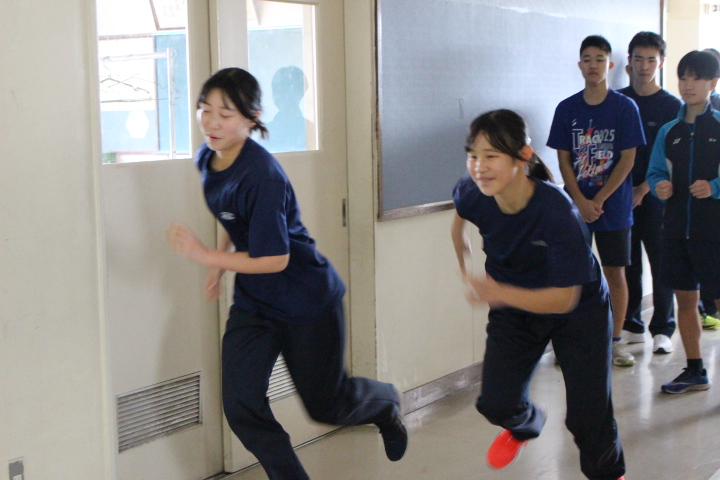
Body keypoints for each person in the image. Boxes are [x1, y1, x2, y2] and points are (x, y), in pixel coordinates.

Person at [166, 67, 407, 480]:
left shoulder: (263, 176)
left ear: (252, 118)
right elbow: (232, 214)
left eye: (225, 113)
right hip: (255, 302)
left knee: (326, 406)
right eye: (205, 109)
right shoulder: (209, 157)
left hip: (307, 300)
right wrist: (220, 260)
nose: (211, 122)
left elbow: (275, 259)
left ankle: (384, 404)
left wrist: (206, 256)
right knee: (240, 404)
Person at [452, 109, 625, 480]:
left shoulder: (558, 211)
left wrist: (496, 290)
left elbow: (564, 300)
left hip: (579, 311)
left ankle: (609, 474)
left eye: (491, 156)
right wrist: (466, 270)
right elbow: (458, 227)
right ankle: (526, 425)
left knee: (588, 415)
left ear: (523, 157)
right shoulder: (472, 192)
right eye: (473, 156)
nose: (479, 167)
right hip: (513, 307)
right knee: (496, 403)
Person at [547, 35, 646, 367]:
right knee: (574, 275)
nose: (593, 65)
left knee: (615, 274)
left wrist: (599, 198)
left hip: (613, 207)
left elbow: (628, 159)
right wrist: (580, 200)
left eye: (599, 59)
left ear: (610, 65)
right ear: (579, 65)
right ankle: (571, 342)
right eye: (587, 59)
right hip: (576, 208)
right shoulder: (567, 109)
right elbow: (563, 160)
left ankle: (615, 341)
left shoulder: (625, 107)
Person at [647, 50, 720, 394]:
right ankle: (695, 370)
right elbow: (655, 172)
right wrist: (659, 185)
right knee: (685, 302)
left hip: (713, 232)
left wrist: (715, 187)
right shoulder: (669, 131)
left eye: (697, 78)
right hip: (676, 230)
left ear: (713, 83)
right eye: (684, 77)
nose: (688, 85)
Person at [618, 32, 681, 354]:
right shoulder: (617, 101)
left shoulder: (672, 106)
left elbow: (673, 158)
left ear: (661, 63)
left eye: (651, 60)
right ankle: (631, 324)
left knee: (662, 263)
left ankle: (663, 328)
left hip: (658, 198)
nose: (644, 66)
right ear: (629, 62)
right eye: (638, 59)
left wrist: (643, 189)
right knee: (627, 263)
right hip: (621, 198)